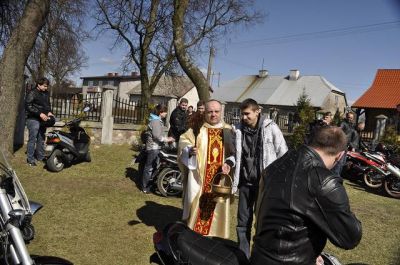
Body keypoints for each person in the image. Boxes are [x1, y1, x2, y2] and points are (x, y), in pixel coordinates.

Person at [251, 126, 362, 265]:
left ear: (313, 141)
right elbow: (350, 237)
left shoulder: (276, 164)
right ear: (340, 155)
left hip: (260, 255)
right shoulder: (324, 181)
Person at [232, 98, 288, 258]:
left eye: (247, 114)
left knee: (262, 224)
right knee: (242, 224)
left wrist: (278, 180)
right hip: (245, 184)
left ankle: (259, 256)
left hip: (265, 185)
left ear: (257, 112)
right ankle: (243, 256)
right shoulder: (237, 130)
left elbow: (283, 154)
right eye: (242, 114)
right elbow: (234, 154)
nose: (243, 117)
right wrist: (230, 162)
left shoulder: (271, 128)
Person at [178, 99, 235, 239]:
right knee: (196, 205)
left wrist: (229, 162)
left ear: (221, 112)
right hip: (200, 178)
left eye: (216, 111)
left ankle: (215, 236)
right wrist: (189, 150)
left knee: (218, 205)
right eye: (210, 112)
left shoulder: (228, 130)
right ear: (205, 112)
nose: (213, 115)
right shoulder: (197, 129)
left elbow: (235, 153)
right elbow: (183, 140)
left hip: (220, 179)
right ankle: (194, 235)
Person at [141, 104, 175, 194]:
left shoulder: (157, 120)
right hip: (153, 147)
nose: (166, 113)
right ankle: (145, 187)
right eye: (165, 112)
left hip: (155, 147)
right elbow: (157, 136)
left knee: (153, 167)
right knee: (149, 168)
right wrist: (167, 139)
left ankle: (149, 185)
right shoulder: (156, 121)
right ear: (161, 112)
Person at [25, 77, 54, 166]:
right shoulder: (32, 93)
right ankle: (30, 160)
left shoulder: (46, 93)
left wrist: (49, 112)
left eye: (47, 86)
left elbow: (48, 105)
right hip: (33, 119)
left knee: (41, 139)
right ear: (39, 85)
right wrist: (40, 113)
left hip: (44, 119)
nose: (46, 88)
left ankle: (40, 157)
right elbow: (28, 106)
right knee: (33, 139)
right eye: (45, 86)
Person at [332, 112, 357, 176]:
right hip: (341, 145)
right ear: (346, 117)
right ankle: (335, 176)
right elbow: (339, 130)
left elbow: (351, 136)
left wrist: (352, 146)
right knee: (339, 162)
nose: (350, 119)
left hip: (346, 146)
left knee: (342, 163)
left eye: (351, 118)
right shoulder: (343, 123)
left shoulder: (352, 126)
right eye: (349, 117)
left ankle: (337, 176)